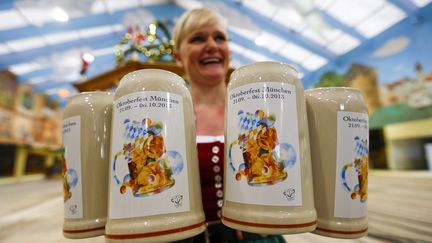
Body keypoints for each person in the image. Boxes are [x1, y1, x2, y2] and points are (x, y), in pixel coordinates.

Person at [173, 8, 286, 243]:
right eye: (198, 38)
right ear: (178, 57)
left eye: (220, 37)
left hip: (260, 237)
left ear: (228, 51)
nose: (212, 45)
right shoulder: (169, 118)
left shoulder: (259, 113)